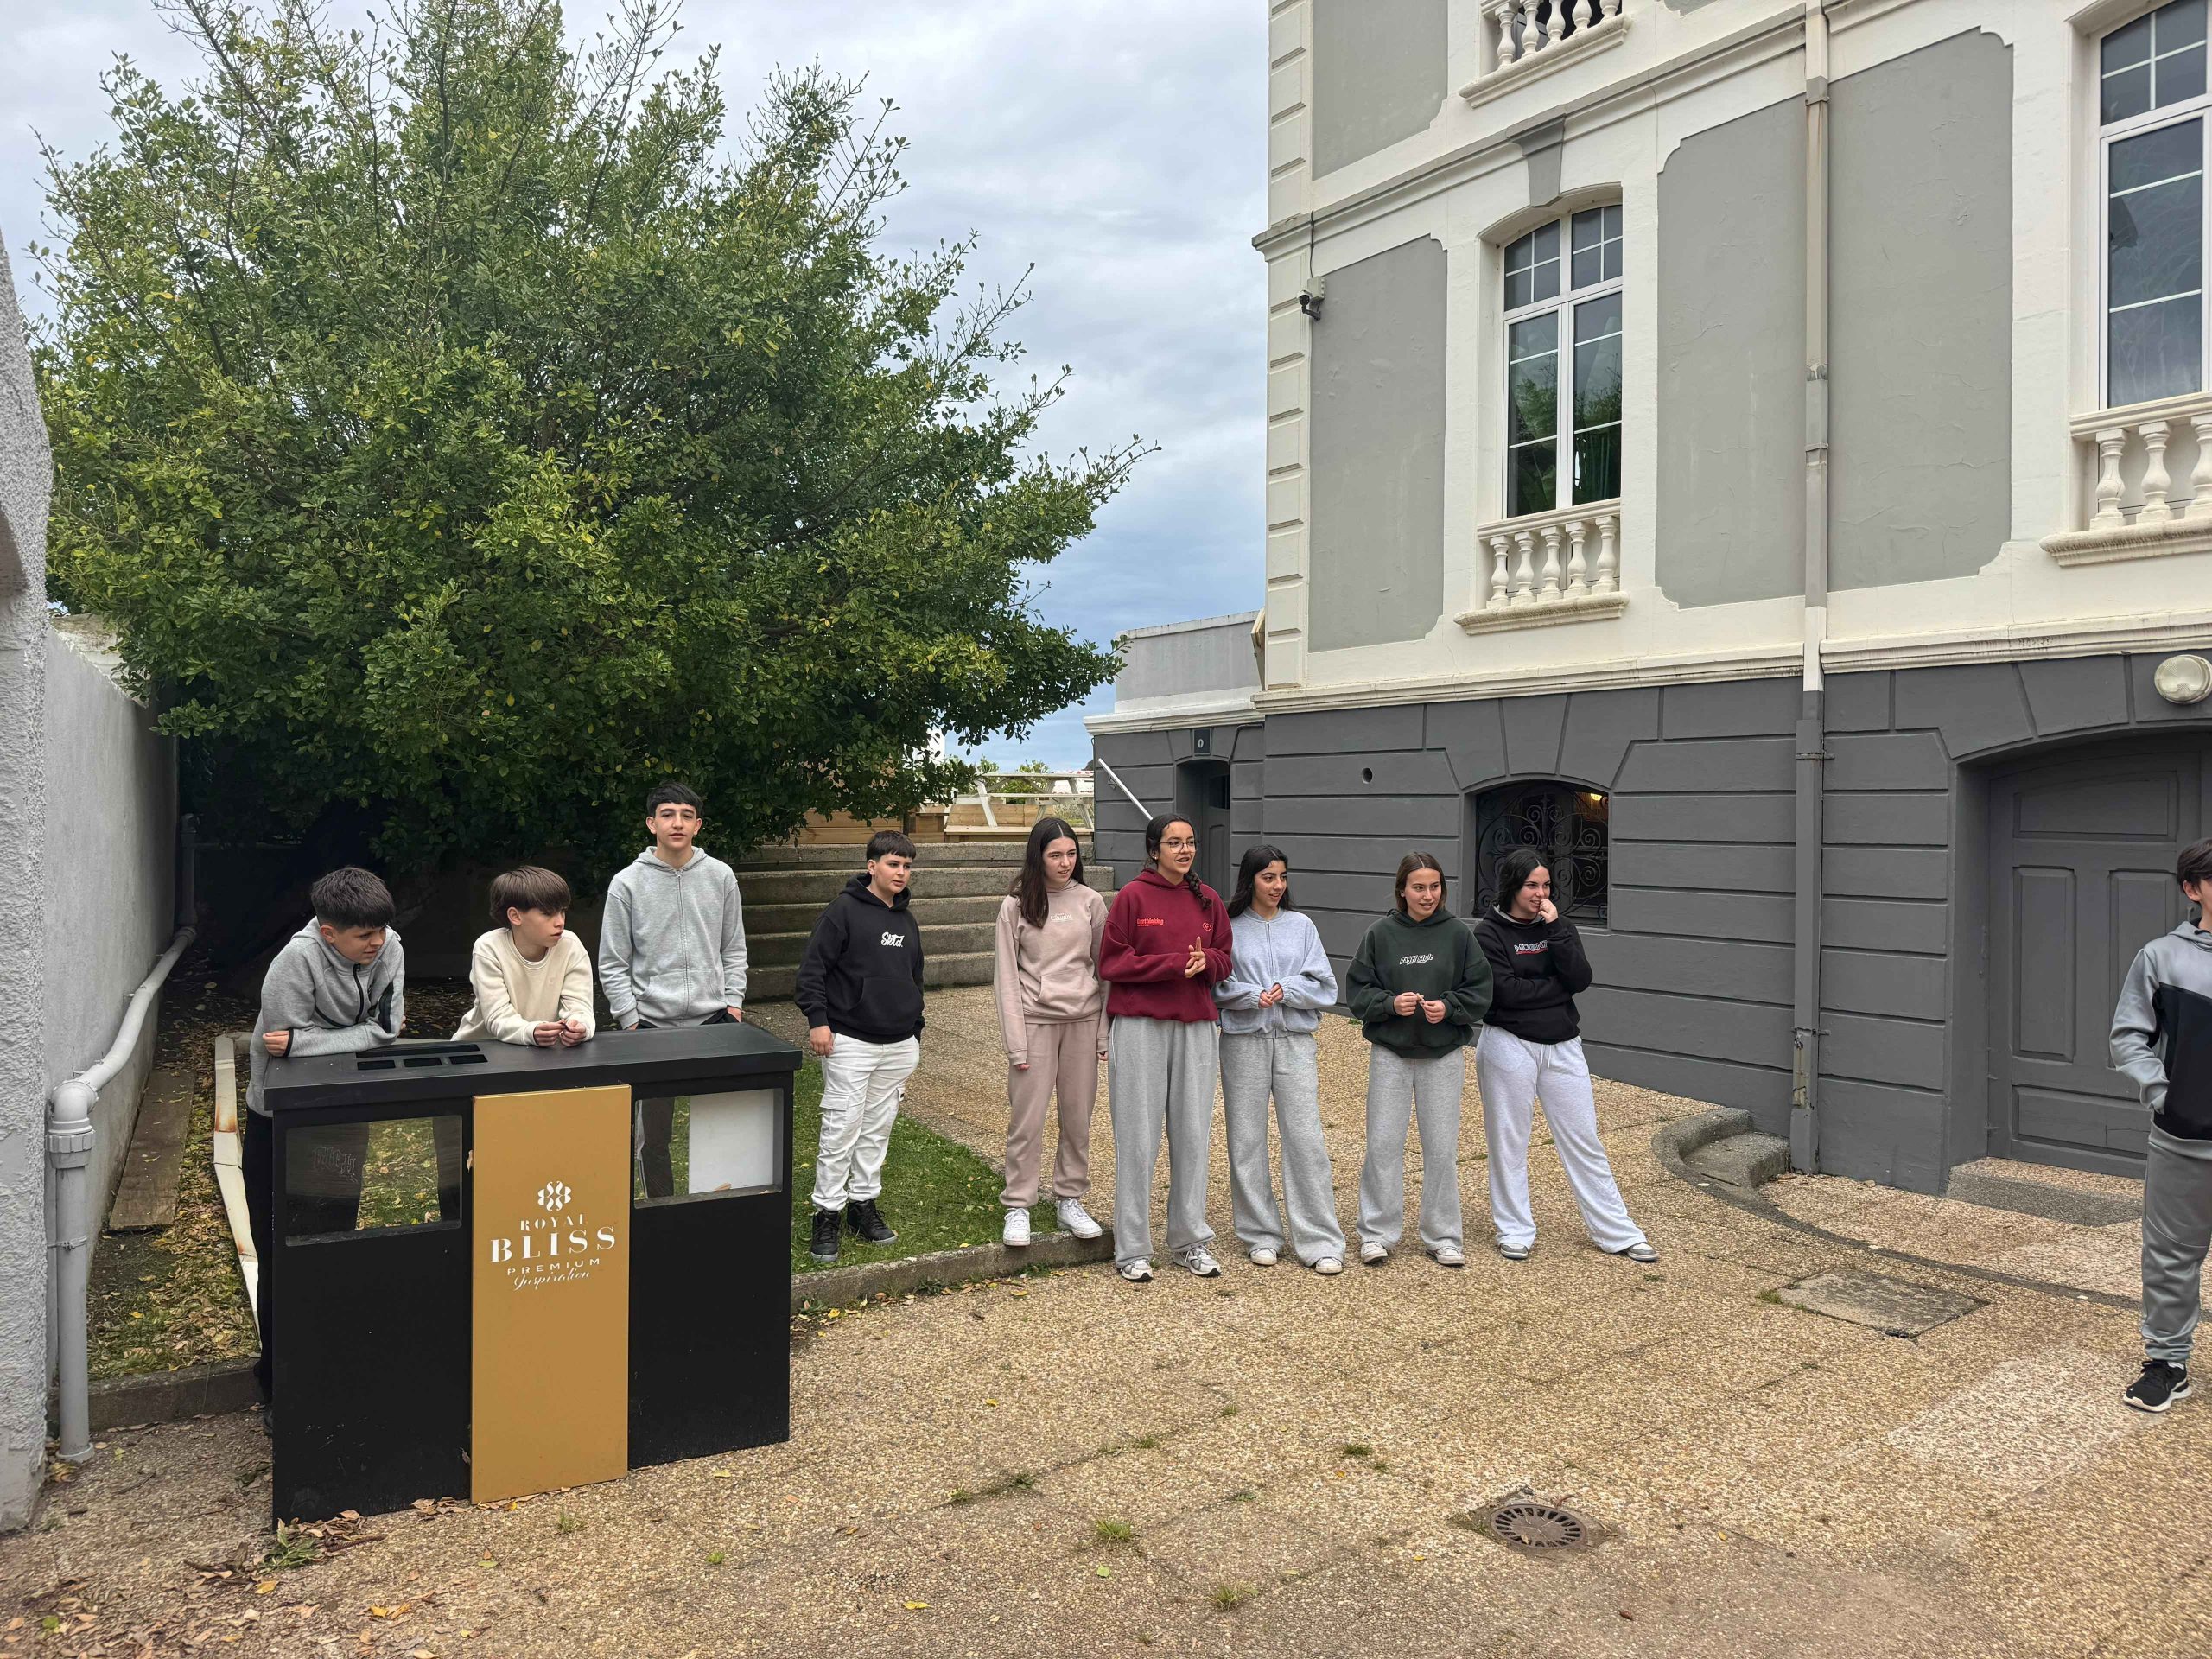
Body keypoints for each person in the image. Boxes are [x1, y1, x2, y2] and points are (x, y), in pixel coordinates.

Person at [245, 865, 407, 1399]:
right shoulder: (295, 960)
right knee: (281, 1249)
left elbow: (386, 1029)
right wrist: (339, 1037)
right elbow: (279, 1045)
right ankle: (277, 1381)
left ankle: (329, 1370)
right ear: (328, 932)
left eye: (381, 930)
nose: (377, 943)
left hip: (341, 1111)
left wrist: (309, 1040)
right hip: (278, 1120)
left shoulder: (390, 947)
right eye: (364, 935)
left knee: (335, 1236)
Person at [1473, 847, 1655, 1265]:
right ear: (1512, 887)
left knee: (1584, 1139)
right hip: (1508, 1044)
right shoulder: (1488, 934)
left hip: (1563, 1045)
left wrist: (1555, 931)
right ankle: (1514, 1230)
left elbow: (1580, 978)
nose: (1540, 894)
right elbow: (1505, 993)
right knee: (1508, 1142)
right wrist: (1557, 988)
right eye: (1531, 886)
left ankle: (1617, 1232)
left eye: (1546, 885)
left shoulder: (1559, 926)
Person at [598, 780, 749, 1199]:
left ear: (698, 825)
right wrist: (631, 1020)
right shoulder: (627, 883)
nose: (677, 823)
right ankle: (661, 1208)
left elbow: (734, 948)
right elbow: (612, 961)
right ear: (652, 824)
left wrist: (733, 1005)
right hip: (651, 1026)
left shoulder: (720, 876)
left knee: (719, 1124)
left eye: (686, 815)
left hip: (714, 1022)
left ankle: (717, 1205)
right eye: (667, 814)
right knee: (654, 1135)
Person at [1099, 812, 1233, 1282]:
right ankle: (1132, 1248)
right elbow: (1113, 962)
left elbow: (1225, 959)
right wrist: (1175, 964)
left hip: (1196, 1027)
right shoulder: (1132, 897)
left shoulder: (1209, 899)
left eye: (1190, 842)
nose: (1185, 850)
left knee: (1193, 1136)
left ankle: (1189, 1241)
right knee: (1138, 1138)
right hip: (1140, 1027)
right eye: (1174, 843)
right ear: (1154, 850)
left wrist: (1206, 960)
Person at [1346, 852, 1491, 1268]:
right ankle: (1377, 1233)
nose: (1428, 895)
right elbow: (1358, 991)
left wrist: (1450, 1007)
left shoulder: (1459, 935)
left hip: (1442, 1054)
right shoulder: (1380, 934)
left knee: (1441, 1148)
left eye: (1434, 886)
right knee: (1383, 1144)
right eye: (1418, 887)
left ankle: (1443, 1236)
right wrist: (1389, 1004)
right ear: (1402, 890)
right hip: (1391, 1052)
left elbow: (1480, 989)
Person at [2113, 837, 2212, 1413]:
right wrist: (2163, 1093)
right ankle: (2168, 1365)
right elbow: (2129, 1035)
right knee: (2171, 1256)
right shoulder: (2161, 957)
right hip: (2184, 1142)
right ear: (2192, 889)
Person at [796, 830, 926, 1264]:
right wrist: (818, 1021)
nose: (901, 873)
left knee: (876, 1131)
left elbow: (915, 978)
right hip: (850, 1041)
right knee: (841, 1130)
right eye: (893, 864)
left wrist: (915, 1029)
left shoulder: (907, 921)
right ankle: (827, 1213)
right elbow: (812, 970)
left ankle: (862, 1204)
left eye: (907, 866)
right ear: (872, 866)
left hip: (897, 1045)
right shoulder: (843, 911)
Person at [1215, 844, 1346, 1274]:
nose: (1277, 885)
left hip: (1295, 1042)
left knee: (1306, 1139)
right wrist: (1250, 996)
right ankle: (1260, 1235)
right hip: (1243, 1043)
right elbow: (1216, 987)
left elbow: (1325, 987)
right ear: (1250, 880)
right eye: (1268, 877)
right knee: (1246, 1140)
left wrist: (1287, 989)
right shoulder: (1230, 927)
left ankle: (1320, 1240)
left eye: (1282, 877)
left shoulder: (1301, 926)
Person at [993, 816, 1109, 1249]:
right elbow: (1006, 977)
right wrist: (1015, 1043)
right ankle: (1018, 1204)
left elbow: (1105, 970)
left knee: (1078, 1119)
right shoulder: (1015, 905)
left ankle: (1070, 1199)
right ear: (1037, 857)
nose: (1065, 862)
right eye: (1055, 854)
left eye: (1071, 854)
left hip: (1083, 1021)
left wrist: (1102, 1033)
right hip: (1035, 1023)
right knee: (1027, 1120)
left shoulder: (1091, 902)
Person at [452, 865, 595, 1047]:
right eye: (548, 913)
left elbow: (580, 1007)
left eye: (563, 911)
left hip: (541, 1052)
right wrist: (530, 1031)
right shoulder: (489, 948)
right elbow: (497, 1016)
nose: (560, 922)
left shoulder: (570, 945)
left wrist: (580, 1027)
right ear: (515, 916)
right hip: (480, 1049)